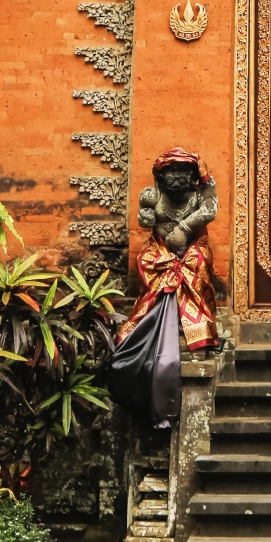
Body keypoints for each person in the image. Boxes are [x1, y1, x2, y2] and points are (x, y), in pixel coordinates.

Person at [107, 150, 218, 428]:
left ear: (193, 178)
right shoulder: (152, 196)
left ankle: (194, 323)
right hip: (162, 251)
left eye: (183, 174)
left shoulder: (199, 196)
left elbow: (210, 210)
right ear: (160, 177)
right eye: (171, 174)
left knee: (198, 260)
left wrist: (185, 227)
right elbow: (146, 220)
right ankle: (157, 313)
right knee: (146, 258)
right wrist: (151, 220)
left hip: (192, 249)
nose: (177, 179)